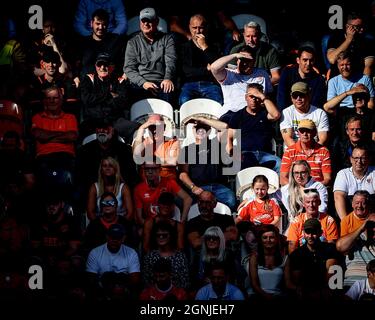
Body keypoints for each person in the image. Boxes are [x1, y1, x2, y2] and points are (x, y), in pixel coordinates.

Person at [31, 85, 78, 200]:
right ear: (44, 101)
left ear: (61, 100)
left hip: (66, 157)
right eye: (48, 98)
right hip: (43, 157)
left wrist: (48, 136)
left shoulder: (70, 117)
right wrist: (62, 135)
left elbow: (72, 136)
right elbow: (38, 135)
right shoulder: (37, 117)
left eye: (55, 98)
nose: (51, 101)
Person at [178, 116, 235, 210]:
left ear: (209, 130)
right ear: (193, 131)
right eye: (197, 128)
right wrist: (193, 187)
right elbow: (183, 174)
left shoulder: (216, 143)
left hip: (218, 187)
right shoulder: (187, 149)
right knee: (186, 204)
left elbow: (225, 126)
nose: (201, 131)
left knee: (231, 200)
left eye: (204, 128)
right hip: (199, 187)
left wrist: (203, 120)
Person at [124, 7, 177, 104]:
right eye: (143, 21)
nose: (145, 24)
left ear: (156, 22)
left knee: (169, 95)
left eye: (149, 21)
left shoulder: (167, 39)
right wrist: (143, 83)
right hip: (140, 83)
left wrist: (168, 78)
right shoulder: (133, 42)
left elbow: (171, 62)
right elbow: (129, 68)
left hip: (162, 82)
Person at [225, 83, 281, 172]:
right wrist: (233, 153)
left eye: (257, 96)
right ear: (246, 97)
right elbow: (229, 137)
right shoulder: (238, 116)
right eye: (251, 96)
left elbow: (276, 115)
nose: (254, 99)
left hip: (265, 154)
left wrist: (262, 96)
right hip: (245, 154)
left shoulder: (265, 113)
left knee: (280, 165)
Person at [286, 219, 341, 300]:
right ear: (303, 233)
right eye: (308, 232)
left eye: (314, 232)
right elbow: (296, 281)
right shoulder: (297, 254)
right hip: (306, 293)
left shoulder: (330, 248)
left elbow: (334, 273)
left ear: (320, 233)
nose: (310, 236)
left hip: (327, 292)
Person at [80, 52, 131, 137]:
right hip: (94, 120)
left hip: (114, 121)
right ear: (95, 66)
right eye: (100, 64)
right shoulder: (88, 79)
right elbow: (86, 99)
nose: (102, 68)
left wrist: (98, 100)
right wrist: (109, 95)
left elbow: (122, 102)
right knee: (79, 132)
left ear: (112, 66)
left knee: (137, 128)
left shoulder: (119, 80)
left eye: (106, 64)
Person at [210, 45, 273, 114]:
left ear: (254, 61)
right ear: (237, 61)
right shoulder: (229, 74)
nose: (245, 63)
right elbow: (214, 68)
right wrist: (234, 55)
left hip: (253, 114)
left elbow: (269, 93)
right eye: (242, 59)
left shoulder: (262, 74)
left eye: (248, 60)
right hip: (231, 113)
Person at [178, 14, 223, 105]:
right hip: (189, 84)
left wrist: (204, 46)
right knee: (184, 102)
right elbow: (186, 71)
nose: (198, 31)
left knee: (218, 102)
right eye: (194, 28)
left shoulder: (215, 46)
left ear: (206, 28)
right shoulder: (183, 47)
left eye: (201, 27)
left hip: (210, 83)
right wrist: (206, 69)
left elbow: (218, 66)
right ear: (189, 28)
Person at [86, 224, 141, 297]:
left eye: (117, 238)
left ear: (123, 238)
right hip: (102, 291)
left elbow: (135, 280)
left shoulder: (132, 253)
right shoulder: (95, 252)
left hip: (124, 291)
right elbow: (91, 279)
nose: (114, 240)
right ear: (107, 237)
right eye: (112, 237)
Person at [133, 162, 192, 227]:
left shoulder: (169, 182)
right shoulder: (138, 189)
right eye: (147, 169)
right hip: (150, 225)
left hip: (169, 222)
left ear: (160, 170)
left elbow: (188, 198)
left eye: (153, 169)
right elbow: (139, 218)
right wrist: (149, 228)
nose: (150, 172)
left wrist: (182, 221)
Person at [336, 190, 375, 288]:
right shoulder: (346, 220)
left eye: (363, 203)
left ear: (369, 205)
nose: (360, 206)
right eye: (357, 203)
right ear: (352, 204)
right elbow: (343, 249)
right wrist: (362, 227)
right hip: (355, 262)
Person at [74, 9, 124, 83]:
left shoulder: (116, 41)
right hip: (87, 85)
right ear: (91, 23)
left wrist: (123, 78)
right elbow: (76, 65)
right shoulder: (83, 43)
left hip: (110, 84)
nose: (101, 27)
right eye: (98, 23)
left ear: (107, 25)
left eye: (104, 24)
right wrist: (76, 78)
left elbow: (124, 63)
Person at [280, 119, 332, 186]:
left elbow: (327, 179)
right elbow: (283, 178)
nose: (305, 134)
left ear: (314, 133)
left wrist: (313, 188)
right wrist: (298, 189)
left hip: (316, 189)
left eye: (308, 131)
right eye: (302, 131)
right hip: (295, 190)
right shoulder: (289, 151)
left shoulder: (323, 151)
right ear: (298, 133)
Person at [278, 160, 328, 228]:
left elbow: (322, 208)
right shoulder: (286, 189)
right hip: (294, 225)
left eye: (302, 172)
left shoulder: (318, 187)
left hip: (314, 224)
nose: (299, 176)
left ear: (308, 172)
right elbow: (268, 195)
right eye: (296, 173)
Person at [287, 189, 339, 254]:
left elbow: (332, 245)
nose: (311, 205)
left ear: (319, 202)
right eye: (308, 202)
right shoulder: (296, 221)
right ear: (303, 203)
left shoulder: (329, 220)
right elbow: (292, 245)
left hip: (323, 255)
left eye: (314, 201)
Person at [230, 21, 281, 85]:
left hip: (262, 87)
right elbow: (231, 75)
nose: (250, 40)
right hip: (240, 85)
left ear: (260, 36)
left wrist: (259, 86)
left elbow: (276, 77)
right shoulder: (235, 50)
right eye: (247, 36)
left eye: (254, 36)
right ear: (243, 35)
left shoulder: (270, 51)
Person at [280, 82, 329, 148]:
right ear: (291, 97)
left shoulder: (320, 113)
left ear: (309, 95)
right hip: (293, 152)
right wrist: (301, 153)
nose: (298, 99)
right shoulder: (286, 112)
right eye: (295, 96)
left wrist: (310, 153)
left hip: (315, 151)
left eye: (301, 95)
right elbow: (287, 139)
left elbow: (322, 140)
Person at [142, 221, 190, 290]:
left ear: (171, 236)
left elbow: (185, 282)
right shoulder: (150, 257)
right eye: (158, 235)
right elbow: (147, 283)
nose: (161, 237)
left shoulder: (180, 256)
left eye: (164, 235)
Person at [277, 46, 326, 110]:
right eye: (305, 60)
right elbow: (281, 98)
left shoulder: (319, 80)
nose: (308, 64)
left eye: (311, 60)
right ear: (298, 60)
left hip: (309, 114)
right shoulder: (287, 73)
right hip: (288, 112)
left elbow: (316, 104)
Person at [327, 11, 375, 77]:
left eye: (363, 26)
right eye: (358, 27)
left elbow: (368, 67)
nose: (362, 30)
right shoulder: (336, 38)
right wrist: (348, 40)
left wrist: (362, 84)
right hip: (337, 80)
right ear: (347, 27)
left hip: (357, 80)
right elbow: (332, 59)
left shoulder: (367, 42)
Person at [333, 146, 375, 219]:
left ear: (368, 159)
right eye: (356, 158)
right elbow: (338, 197)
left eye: (363, 158)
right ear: (351, 159)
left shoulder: (374, 172)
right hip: (350, 217)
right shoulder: (343, 174)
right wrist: (346, 223)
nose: (359, 161)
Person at [133, 114, 180, 179]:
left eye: (158, 127)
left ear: (164, 127)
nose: (154, 131)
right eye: (151, 127)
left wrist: (147, 162)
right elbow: (137, 158)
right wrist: (141, 128)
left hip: (167, 182)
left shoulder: (172, 142)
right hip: (147, 183)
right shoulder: (145, 142)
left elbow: (174, 161)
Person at [247, 224, 287, 301]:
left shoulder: (284, 258)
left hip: (278, 296)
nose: (268, 240)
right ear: (260, 240)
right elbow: (254, 284)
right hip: (258, 296)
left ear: (276, 239)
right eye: (265, 237)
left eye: (271, 237)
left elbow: (288, 283)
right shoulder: (255, 258)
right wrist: (267, 296)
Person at [86, 157, 133, 221]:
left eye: (110, 166)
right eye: (104, 166)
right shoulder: (94, 187)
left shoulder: (124, 188)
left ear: (115, 169)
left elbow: (130, 213)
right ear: (101, 170)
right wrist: (99, 225)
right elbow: (90, 213)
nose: (107, 168)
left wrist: (121, 225)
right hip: (100, 225)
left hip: (120, 225)